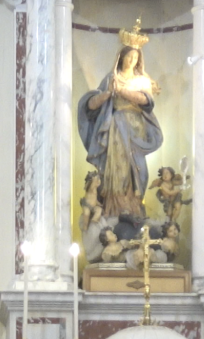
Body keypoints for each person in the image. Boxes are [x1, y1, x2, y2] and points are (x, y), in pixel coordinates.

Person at [76, 28, 163, 221]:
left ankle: (133, 206)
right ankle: (113, 207)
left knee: (135, 169)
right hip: (115, 128)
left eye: (135, 57)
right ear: (121, 57)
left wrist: (122, 92)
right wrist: (107, 94)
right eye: (129, 56)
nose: (131, 61)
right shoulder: (111, 78)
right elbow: (91, 105)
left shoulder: (142, 80)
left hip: (135, 129)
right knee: (117, 168)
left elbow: (147, 101)